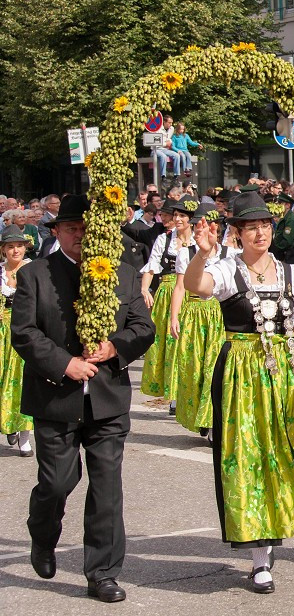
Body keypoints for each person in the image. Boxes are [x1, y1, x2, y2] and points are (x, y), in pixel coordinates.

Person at [184, 190, 294, 594]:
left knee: (282, 455)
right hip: (240, 373)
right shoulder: (227, 269)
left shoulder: (291, 273)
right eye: (251, 227)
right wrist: (201, 253)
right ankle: (259, 557)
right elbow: (197, 286)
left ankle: (273, 535)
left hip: (282, 372)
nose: (260, 233)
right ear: (239, 233)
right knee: (246, 458)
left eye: (265, 225)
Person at [13, 194, 154, 602]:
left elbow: (143, 328)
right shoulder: (35, 274)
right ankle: (43, 533)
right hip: (55, 398)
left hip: (107, 399)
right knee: (57, 483)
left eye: (86, 229)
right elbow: (24, 332)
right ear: (56, 232)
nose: (79, 236)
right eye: (71, 228)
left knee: (107, 488)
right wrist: (64, 364)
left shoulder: (123, 275)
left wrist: (114, 348)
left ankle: (103, 572)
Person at [169, 204, 232, 441]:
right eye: (198, 227)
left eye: (208, 227)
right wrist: (174, 317)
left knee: (215, 368)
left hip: (219, 315)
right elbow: (179, 288)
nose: (202, 231)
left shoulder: (229, 254)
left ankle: (214, 421)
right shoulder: (186, 253)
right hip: (195, 315)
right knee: (195, 368)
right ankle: (201, 417)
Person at [140, 198, 197, 412]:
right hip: (167, 293)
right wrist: (145, 289)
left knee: (187, 343)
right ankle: (173, 395)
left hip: (191, 292)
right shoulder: (164, 240)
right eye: (176, 215)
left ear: (191, 220)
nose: (177, 219)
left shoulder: (197, 241)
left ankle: (182, 392)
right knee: (170, 344)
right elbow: (152, 266)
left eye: (182, 216)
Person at [0, 225, 33, 455]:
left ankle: (24, 437)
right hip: (1, 333)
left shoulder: (33, 271)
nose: (15, 251)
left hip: (25, 331)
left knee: (24, 383)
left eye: (19, 246)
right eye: (10, 247)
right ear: (3, 251)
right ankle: (6, 423)